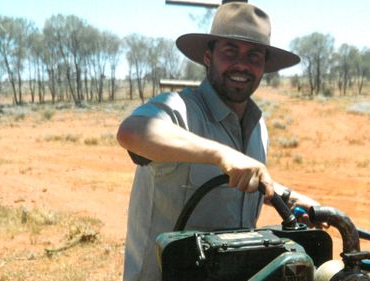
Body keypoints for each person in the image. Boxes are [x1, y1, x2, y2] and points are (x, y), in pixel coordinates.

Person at [117, 2, 320, 280]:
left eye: (254, 55)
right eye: (230, 51)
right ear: (208, 57)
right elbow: (132, 131)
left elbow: (245, 178)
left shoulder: (257, 125)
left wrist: (293, 199)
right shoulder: (179, 109)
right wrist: (220, 154)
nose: (242, 64)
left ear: (264, 67)